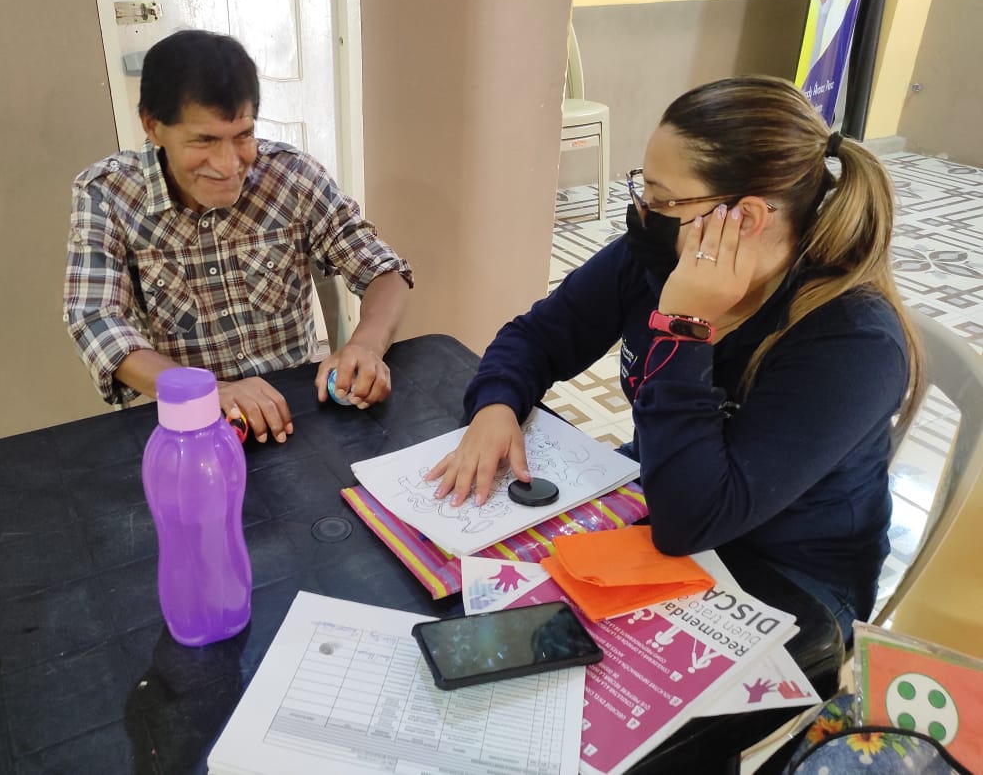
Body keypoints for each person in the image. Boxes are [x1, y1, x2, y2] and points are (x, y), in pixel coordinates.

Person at [427, 75, 923, 644]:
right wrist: (496, 406)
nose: (645, 212)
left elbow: (691, 520)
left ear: (746, 218)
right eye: (644, 188)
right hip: (659, 492)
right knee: (482, 599)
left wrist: (685, 327)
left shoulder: (852, 342)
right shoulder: (657, 259)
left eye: (664, 199)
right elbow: (538, 337)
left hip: (789, 577)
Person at [64, 31, 413, 443]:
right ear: (153, 127)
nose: (229, 165)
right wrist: (206, 391)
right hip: (187, 424)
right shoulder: (107, 193)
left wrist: (367, 345)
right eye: (204, 140)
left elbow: (384, 271)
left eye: (243, 135)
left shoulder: (292, 175)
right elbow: (96, 318)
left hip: (295, 411)